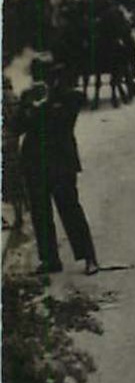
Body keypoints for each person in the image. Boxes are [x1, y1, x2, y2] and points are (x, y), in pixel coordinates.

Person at [16, 58, 99, 275]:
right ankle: (50, 259)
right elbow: (16, 127)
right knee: (40, 213)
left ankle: (89, 256)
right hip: (34, 162)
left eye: (46, 77)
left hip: (61, 162)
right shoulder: (28, 98)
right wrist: (28, 108)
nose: (41, 81)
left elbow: (65, 120)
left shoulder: (68, 96)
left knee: (70, 210)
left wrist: (43, 106)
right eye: (37, 78)